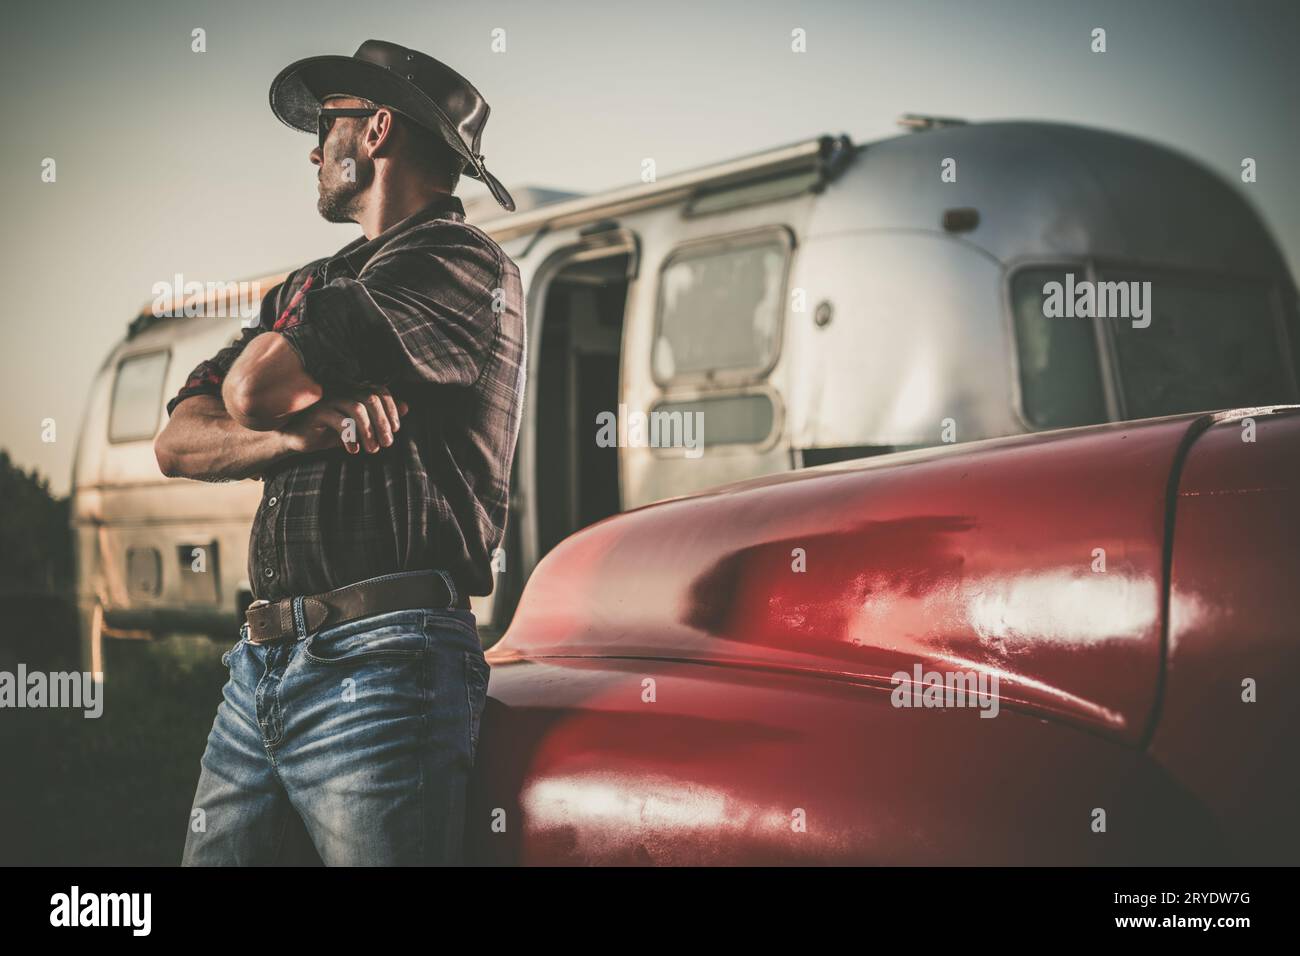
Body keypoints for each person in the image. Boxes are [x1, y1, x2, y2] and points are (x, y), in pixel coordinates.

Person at [155, 39, 525, 865]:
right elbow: (176, 443)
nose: (317, 151)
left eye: (331, 126)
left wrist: (267, 404)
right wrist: (301, 430)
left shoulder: (459, 263)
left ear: (379, 129)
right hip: (259, 667)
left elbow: (248, 390)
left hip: (386, 660)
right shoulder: (309, 284)